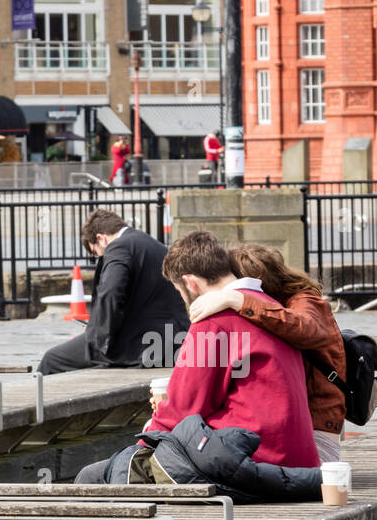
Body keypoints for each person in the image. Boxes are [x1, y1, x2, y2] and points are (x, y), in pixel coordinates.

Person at [75, 230, 320, 487]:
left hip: (252, 461)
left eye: (179, 291)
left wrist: (142, 444)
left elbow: (184, 407)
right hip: (297, 462)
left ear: (190, 282)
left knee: (92, 476)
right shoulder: (266, 306)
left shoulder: (213, 320)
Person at [188, 243, 346, 463]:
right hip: (299, 433)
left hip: (316, 438)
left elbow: (305, 327)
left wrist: (238, 299)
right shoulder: (267, 311)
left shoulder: (303, 300)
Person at [36, 208, 188, 375]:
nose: (99, 258)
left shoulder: (119, 247)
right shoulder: (153, 245)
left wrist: (99, 339)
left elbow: (111, 292)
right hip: (173, 340)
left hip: (142, 345)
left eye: (95, 253)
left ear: (101, 239)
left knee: (52, 360)